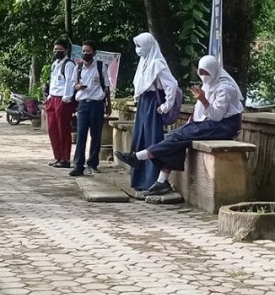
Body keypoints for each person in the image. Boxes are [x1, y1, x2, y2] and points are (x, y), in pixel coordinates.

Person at [116, 55, 244, 196]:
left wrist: (203, 100)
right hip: (212, 123)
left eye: (206, 72)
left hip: (224, 126)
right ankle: (161, 181)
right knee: (177, 137)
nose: (203, 76)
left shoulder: (225, 88)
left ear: (213, 71)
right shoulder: (209, 84)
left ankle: (138, 157)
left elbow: (217, 116)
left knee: (179, 136)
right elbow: (200, 111)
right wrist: (192, 119)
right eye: (200, 72)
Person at [119, 33, 179, 190]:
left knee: (152, 138)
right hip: (143, 103)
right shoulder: (144, 62)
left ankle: (153, 180)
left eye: (140, 46)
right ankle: (139, 181)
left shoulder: (157, 63)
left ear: (148, 46)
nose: (138, 49)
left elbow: (171, 85)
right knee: (140, 138)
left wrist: (166, 105)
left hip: (153, 103)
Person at [70, 41, 112, 176]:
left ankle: (93, 164)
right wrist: (78, 87)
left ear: (94, 53)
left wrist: (108, 104)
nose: (85, 54)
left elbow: (106, 86)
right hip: (83, 104)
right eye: (83, 51)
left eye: (88, 51)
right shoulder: (78, 67)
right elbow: (73, 84)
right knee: (81, 134)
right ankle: (78, 165)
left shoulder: (100, 67)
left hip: (97, 104)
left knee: (96, 135)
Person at [44, 35, 77, 168]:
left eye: (60, 49)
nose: (57, 51)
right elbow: (54, 81)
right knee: (52, 129)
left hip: (63, 99)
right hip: (53, 98)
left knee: (63, 129)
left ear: (66, 50)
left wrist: (66, 98)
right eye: (55, 49)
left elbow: (70, 82)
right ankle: (57, 156)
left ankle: (65, 158)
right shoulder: (55, 64)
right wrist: (49, 97)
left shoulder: (68, 65)